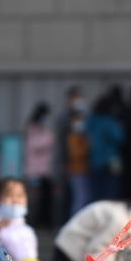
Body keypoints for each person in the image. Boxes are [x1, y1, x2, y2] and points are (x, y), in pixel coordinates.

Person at [53, 85, 86, 225]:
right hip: (68, 162)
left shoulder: (83, 115)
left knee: (78, 195)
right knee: (71, 195)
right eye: (75, 97)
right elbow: (62, 142)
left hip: (80, 163)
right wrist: (64, 163)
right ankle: (65, 223)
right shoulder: (64, 117)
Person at [86, 95, 125, 202]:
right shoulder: (110, 121)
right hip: (110, 160)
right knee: (111, 192)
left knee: (96, 193)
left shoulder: (91, 121)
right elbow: (120, 137)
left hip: (94, 160)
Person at [23, 102, 55, 227]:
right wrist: (48, 139)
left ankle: (45, 222)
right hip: (35, 170)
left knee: (46, 198)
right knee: (36, 199)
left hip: (45, 170)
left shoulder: (44, 129)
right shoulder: (33, 129)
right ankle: (36, 222)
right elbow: (36, 145)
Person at [66, 110, 91, 214]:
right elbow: (76, 153)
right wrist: (87, 146)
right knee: (80, 197)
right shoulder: (73, 137)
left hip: (84, 169)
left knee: (85, 196)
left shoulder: (83, 136)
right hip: (76, 170)